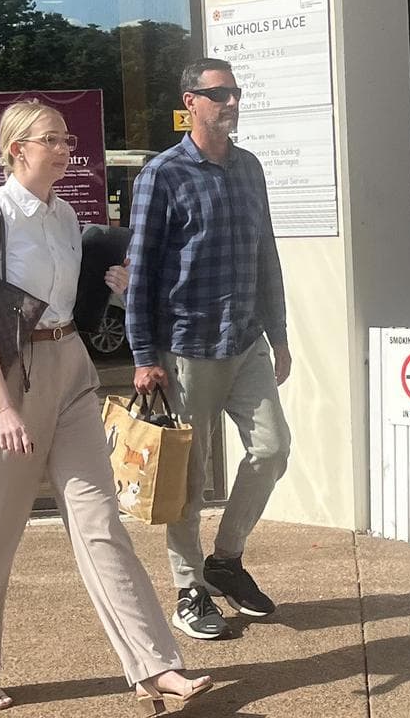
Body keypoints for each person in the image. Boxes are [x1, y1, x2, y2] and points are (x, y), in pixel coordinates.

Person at [0, 100, 211, 713]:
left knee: (101, 523)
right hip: (8, 380)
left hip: (70, 368)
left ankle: (156, 664)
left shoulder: (66, 217)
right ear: (18, 150)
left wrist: (111, 289)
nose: (67, 150)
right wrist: (3, 406)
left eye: (68, 140)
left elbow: (69, 303)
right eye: (53, 141)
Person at [126, 57, 292, 641]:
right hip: (186, 347)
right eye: (217, 94)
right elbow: (141, 274)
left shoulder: (248, 168)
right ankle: (188, 588)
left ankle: (225, 560)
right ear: (189, 101)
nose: (230, 102)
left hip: (245, 339)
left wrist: (280, 334)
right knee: (187, 480)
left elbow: (265, 255)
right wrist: (144, 356)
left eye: (235, 92)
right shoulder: (162, 175)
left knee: (273, 449)